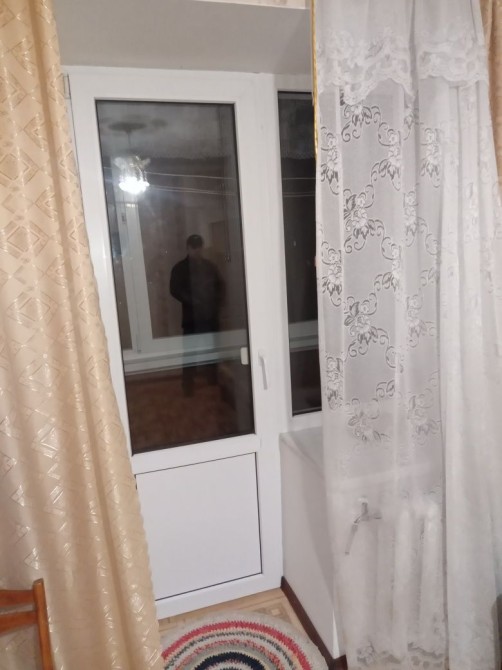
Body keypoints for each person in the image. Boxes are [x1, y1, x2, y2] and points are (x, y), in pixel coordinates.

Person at [170, 234, 223, 395]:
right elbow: (174, 289)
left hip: (209, 315)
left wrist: (215, 303)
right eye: (194, 247)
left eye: (199, 247)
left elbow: (220, 286)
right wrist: (192, 300)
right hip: (191, 317)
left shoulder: (209, 266)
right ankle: (187, 385)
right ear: (187, 248)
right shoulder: (180, 268)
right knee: (190, 352)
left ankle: (212, 379)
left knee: (211, 348)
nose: (197, 250)